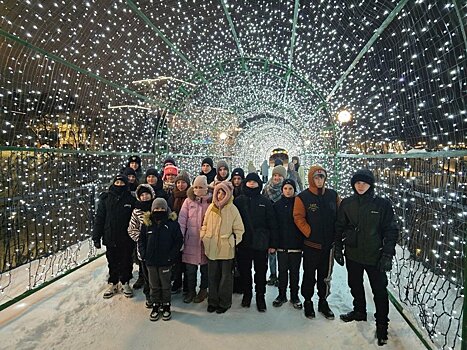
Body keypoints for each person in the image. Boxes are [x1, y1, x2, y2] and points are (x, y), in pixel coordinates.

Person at [335, 169, 398, 346]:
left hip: (374, 255)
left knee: (379, 290)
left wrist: (387, 254)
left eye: (363, 182)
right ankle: (359, 311)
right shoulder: (347, 203)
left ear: (371, 184)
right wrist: (339, 248)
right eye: (357, 183)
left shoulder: (382, 205)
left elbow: (391, 230)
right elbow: (339, 227)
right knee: (354, 284)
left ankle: (381, 324)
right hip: (353, 254)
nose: (360, 186)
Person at [293, 165, 340, 320]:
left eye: (322, 177)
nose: (319, 180)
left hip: (328, 246)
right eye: (316, 178)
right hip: (311, 245)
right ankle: (308, 300)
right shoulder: (303, 197)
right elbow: (298, 217)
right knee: (309, 274)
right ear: (311, 179)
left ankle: (323, 300)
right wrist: (309, 232)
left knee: (325, 276)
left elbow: (341, 214)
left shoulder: (333, 195)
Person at [234, 172, 278, 312]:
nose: (251, 184)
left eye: (254, 182)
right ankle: (247, 295)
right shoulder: (239, 201)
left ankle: (260, 296)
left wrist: (272, 244)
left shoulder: (264, 201)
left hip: (260, 243)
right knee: (245, 271)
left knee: (260, 271)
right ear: (245, 183)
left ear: (259, 183)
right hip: (243, 242)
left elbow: (272, 223)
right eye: (249, 181)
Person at [201, 182, 244, 314]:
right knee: (212, 275)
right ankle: (212, 301)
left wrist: (232, 241)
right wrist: (204, 235)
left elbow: (239, 229)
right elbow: (205, 223)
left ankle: (224, 302)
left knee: (226, 277)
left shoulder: (232, 209)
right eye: (218, 192)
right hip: (212, 247)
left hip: (226, 249)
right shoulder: (211, 207)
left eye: (223, 193)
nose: (220, 195)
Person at [139, 198, 183, 321]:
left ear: (166, 209)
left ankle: (166, 305)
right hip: (151, 261)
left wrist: (171, 256)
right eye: (157, 208)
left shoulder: (171, 223)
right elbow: (141, 240)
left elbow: (178, 241)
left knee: (165, 284)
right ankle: (155, 304)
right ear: (152, 209)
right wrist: (144, 254)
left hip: (165, 262)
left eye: (162, 208)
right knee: (154, 285)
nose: (159, 210)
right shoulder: (147, 224)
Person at [92, 174, 136, 299]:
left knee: (126, 260)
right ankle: (113, 282)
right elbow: (100, 218)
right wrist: (96, 236)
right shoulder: (106, 199)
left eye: (122, 183)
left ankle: (125, 281)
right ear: (113, 183)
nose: (120, 185)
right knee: (112, 260)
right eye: (117, 183)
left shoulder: (131, 199)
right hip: (110, 235)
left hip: (126, 237)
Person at [178, 175, 212, 303]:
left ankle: (203, 290)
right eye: (195, 187)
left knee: (205, 269)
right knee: (190, 270)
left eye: (201, 187)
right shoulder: (188, 201)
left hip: (206, 242)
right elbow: (182, 220)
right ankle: (191, 291)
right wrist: (180, 238)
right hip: (190, 241)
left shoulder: (210, 201)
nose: (198, 189)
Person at [272, 179, 303, 310]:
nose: (288, 191)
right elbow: (274, 226)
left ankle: (294, 296)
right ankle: (281, 294)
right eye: (285, 189)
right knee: (282, 271)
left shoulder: (299, 204)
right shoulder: (277, 205)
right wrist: (273, 244)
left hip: (296, 246)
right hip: (282, 246)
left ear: (294, 190)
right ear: (282, 190)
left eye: (290, 189)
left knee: (295, 272)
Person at [128, 184, 155, 307]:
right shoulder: (136, 211)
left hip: (158, 247)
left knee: (157, 273)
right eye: (142, 195)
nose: (145, 197)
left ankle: (159, 295)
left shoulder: (157, 206)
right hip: (143, 249)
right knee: (147, 274)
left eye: (147, 194)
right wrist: (141, 239)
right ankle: (149, 295)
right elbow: (131, 229)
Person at [262, 165, 287, 287]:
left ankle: (282, 276)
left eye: (279, 176)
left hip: (282, 225)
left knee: (281, 253)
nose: (277, 178)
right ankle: (272, 274)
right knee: (271, 251)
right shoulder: (266, 189)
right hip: (269, 225)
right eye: (275, 175)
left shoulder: (287, 189)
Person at [167, 171, 191, 294]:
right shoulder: (172, 197)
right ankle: (177, 282)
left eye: (183, 182)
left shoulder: (191, 197)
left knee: (187, 260)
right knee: (176, 260)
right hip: (174, 232)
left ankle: (187, 285)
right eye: (178, 182)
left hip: (189, 232)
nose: (181, 185)